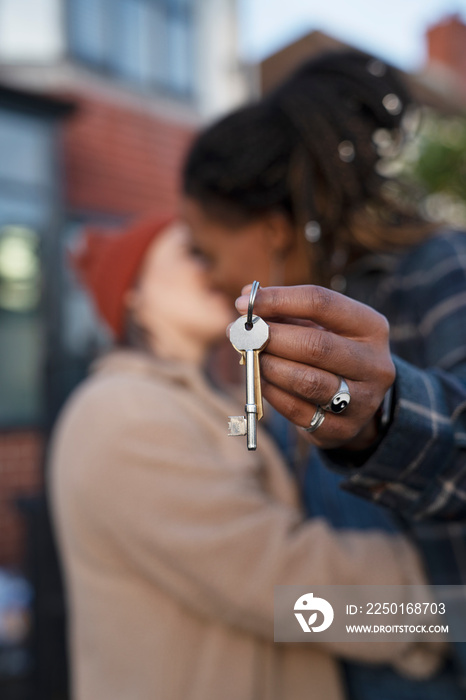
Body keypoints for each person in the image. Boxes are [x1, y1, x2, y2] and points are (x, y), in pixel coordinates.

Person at [49, 216, 443, 700]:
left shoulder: (222, 404)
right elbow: (279, 580)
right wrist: (438, 597)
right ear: (133, 293)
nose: (218, 269)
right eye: (194, 253)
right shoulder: (119, 411)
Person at [180, 49, 466, 692]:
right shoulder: (268, 351)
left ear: (274, 231)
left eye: (207, 251)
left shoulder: (439, 271)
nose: (208, 276)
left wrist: (381, 420)